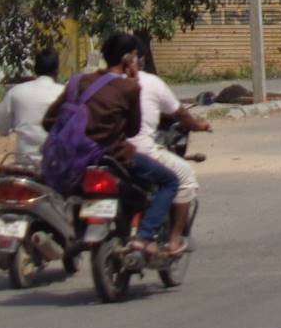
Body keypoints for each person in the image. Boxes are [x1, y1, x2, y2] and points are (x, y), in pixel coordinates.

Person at [42, 32, 181, 255]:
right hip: (114, 157)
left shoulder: (77, 81)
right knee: (170, 182)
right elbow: (133, 129)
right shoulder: (129, 88)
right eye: (135, 56)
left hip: (74, 162)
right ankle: (144, 237)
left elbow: (49, 121)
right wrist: (133, 83)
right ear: (127, 59)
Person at [126, 35, 211, 257]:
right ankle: (173, 240)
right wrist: (198, 125)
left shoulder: (96, 82)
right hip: (135, 151)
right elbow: (180, 113)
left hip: (97, 154)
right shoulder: (147, 82)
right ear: (140, 60)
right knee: (182, 179)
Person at [0, 49, 64, 159]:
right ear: (57, 70)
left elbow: (0, 128)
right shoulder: (65, 93)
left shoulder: (16, 92)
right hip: (56, 164)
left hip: (24, 162)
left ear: (35, 69)